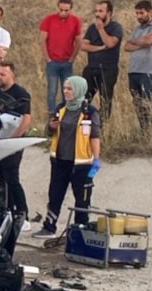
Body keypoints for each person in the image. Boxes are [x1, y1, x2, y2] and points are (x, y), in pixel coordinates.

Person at [32, 76, 102, 238]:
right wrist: (50, 126)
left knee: (82, 198)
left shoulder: (90, 111)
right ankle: (49, 226)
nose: (66, 92)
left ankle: (80, 230)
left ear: (79, 90)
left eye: (69, 89)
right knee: (55, 194)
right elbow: (49, 131)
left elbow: (94, 136)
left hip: (82, 163)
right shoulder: (61, 107)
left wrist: (96, 160)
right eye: (64, 88)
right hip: (60, 160)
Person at [0, 62, 32, 254]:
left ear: (11, 75)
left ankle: (24, 214)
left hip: (12, 142)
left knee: (12, 178)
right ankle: (8, 211)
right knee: (1, 178)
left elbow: (26, 118)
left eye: (2, 74)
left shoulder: (21, 93)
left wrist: (15, 138)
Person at [124, 0, 152, 137]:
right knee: (138, 103)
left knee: (148, 102)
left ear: (150, 12)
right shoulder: (138, 29)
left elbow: (149, 41)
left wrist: (138, 42)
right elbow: (126, 46)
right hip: (134, 70)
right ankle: (144, 132)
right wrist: (142, 42)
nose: (139, 16)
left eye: (141, 13)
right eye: (137, 13)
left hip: (148, 70)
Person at [40, 0, 82, 117]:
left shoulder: (75, 21)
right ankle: (52, 115)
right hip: (52, 61)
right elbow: (42, 39)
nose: (63, 13)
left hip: (66, 62)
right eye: (61, 9)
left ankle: (65, 114)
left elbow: (78, 41)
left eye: (66, 10)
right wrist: (47, 58)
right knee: (52, 91)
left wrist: (72, 58)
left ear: (71, 9)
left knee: (67, 90)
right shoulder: (49, 19)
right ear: (57, 8)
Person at [81, 0, 123, 119]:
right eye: (96, 11)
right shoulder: (91, 28)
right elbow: (83, 46)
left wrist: (101, 30)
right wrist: (99, 48)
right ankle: (83, 123)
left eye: (101, 11)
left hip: (108, 69)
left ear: (109, 13)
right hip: (91, 67)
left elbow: (110, 43)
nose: (97, 14)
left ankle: (103, 127)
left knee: (105, 100)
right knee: (83, 98)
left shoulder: (116, 27)